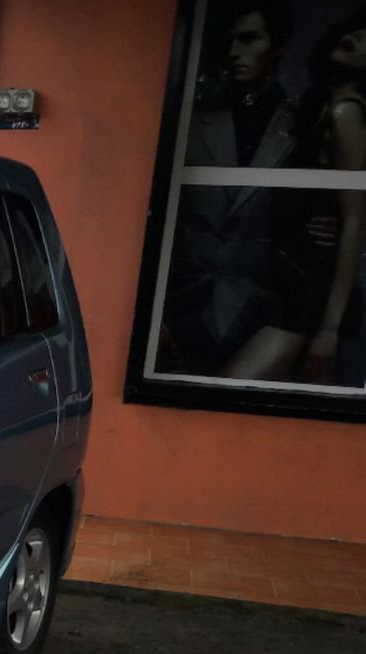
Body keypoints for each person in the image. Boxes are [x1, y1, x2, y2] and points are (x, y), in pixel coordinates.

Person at [223, 9, 366, 384]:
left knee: (231, 388)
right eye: (356, 29)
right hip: (290, 283)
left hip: (309, 292)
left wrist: (330, 328)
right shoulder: (319, 109)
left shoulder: (344, 112)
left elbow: (355, 219)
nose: (359, 36)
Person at [159, 1, 299, 376]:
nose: (235, 52)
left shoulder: (301, 125)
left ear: (279, 46)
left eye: (250, 39)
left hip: (259, 313)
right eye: (230, 40)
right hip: (180, 307)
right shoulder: (192, 118)